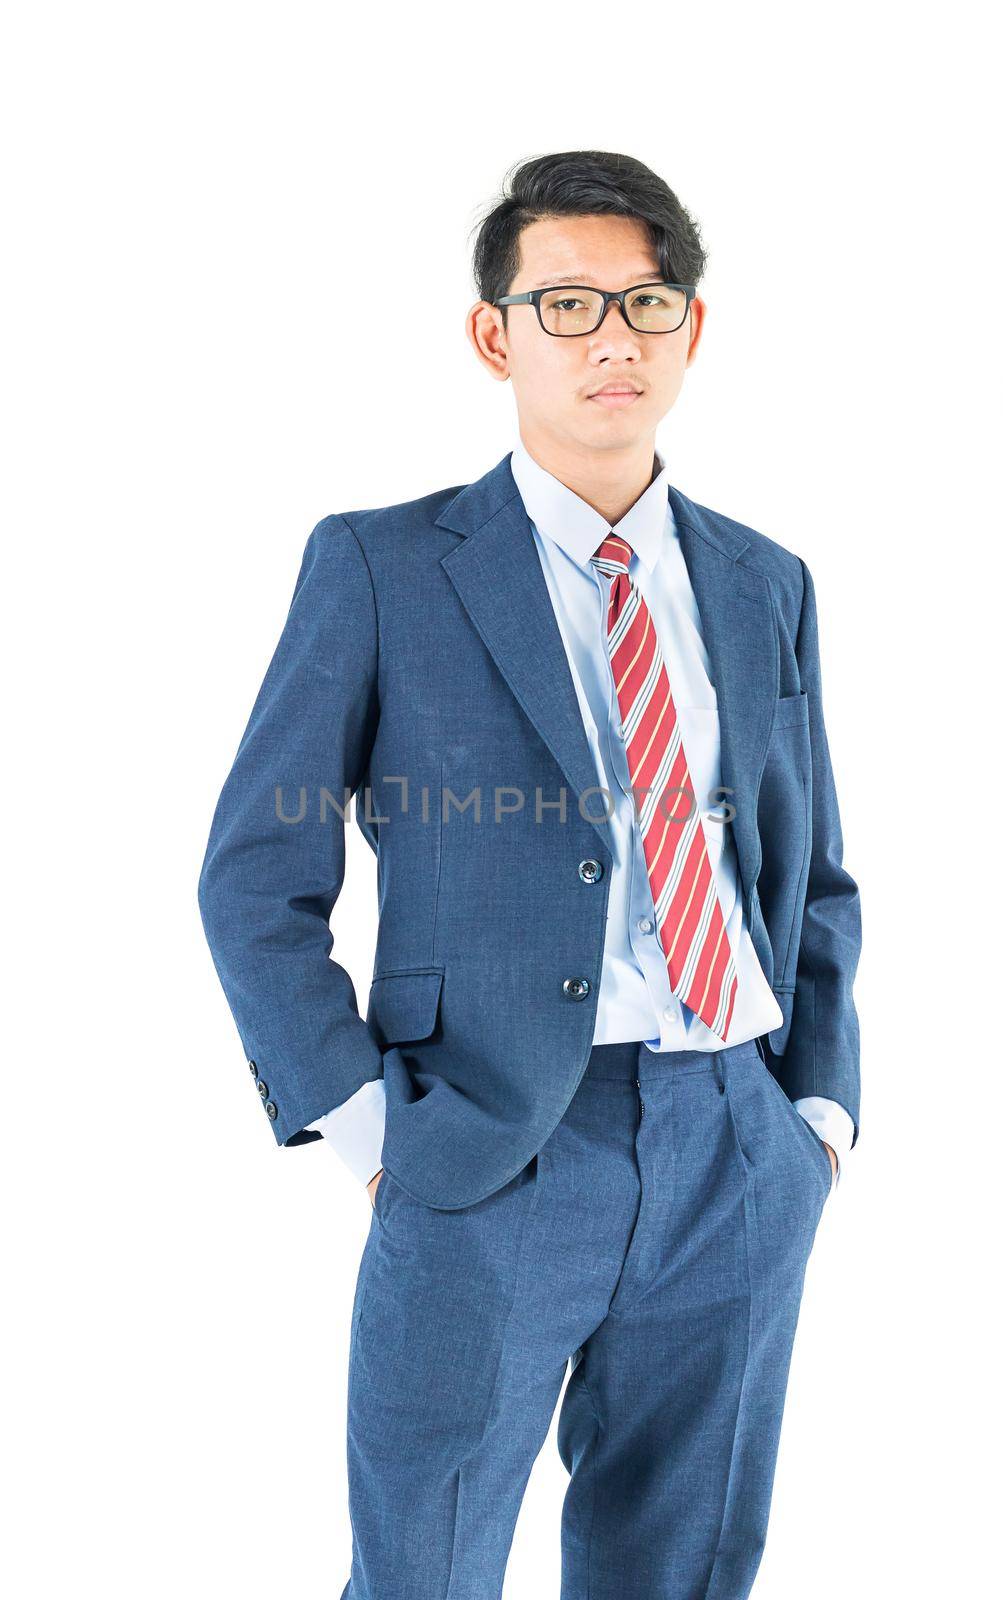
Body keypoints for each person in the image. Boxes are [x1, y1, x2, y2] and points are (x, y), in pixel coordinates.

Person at [198, 149, 862, 1599]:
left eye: (646, 300)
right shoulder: (383, 565)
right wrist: (373, 1133)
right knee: (425, 1568)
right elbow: (256, 872)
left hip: (736, 1146)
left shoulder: (765, 580)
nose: (612, 337)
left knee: (682, 1571)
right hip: (489, 1148)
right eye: (567, 303)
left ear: (696, 328)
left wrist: (814, 1116)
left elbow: (809, 874)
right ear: (494, 335)